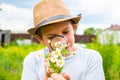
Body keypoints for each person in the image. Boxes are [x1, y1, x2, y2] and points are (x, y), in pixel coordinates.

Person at [21, 0, 105, 80]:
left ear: (74, 28)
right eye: (51, 37)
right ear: (40, 39)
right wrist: (47, 76)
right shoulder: (33, 61)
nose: (61, 42)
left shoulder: (91, 58)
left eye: (65, 32)